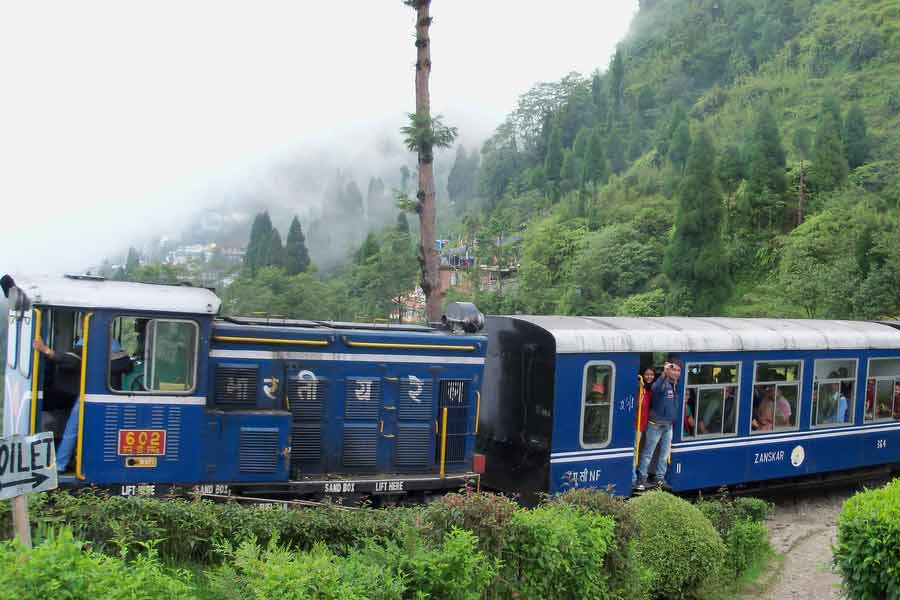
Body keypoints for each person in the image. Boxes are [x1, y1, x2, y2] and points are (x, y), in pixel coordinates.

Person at [33, 336, 82, 473]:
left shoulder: (85, 348)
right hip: (81, 394)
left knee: (71, 432)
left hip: (86, 395)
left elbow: (70, 361)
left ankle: (60, 464)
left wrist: (45, 350)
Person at [635, 361, 681, 491]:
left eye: (678, 371)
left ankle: (660, 478)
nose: (676, 373)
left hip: (668, 426)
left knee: (665, 453)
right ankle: (641, 478)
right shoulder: (662, 383)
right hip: (655, 425)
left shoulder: (674, 385)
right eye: (673, 370)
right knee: (648, 453)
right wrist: (663, 374)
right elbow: (655, 388)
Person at [632, 367, 655, 486]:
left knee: (644, 450)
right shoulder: (639, 389)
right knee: (634, 449)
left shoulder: (651, 390)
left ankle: (643, 473)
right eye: (647, 374)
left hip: (646, 423)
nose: (649, 377)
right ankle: (633, 477)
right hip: (637, 423)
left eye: (652, 374)